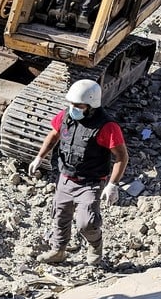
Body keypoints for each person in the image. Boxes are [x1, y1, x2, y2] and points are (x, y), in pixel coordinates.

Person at [28, 79, 128, 266]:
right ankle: (58, 250)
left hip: (90, 182)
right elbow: (54, 134)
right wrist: (39, 157)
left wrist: (112, 185)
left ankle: (95, 245)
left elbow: (122, 157)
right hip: (66, 178)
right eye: (71, 104)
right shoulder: (66, 116)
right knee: (59, 216)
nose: (73, 108)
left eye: (78, 105)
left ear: (91, 105)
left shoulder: (107, 126)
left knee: (86, 222)